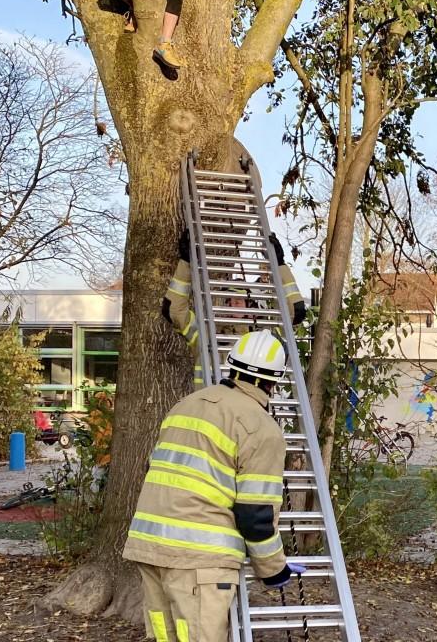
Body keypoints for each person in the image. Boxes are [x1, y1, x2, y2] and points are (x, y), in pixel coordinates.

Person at [122, 329, 303, 642]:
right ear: (274, 381)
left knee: (167, 638)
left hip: (150, 546)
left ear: (231, 367)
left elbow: (154, 467)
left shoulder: (185, 405)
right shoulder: (260, 427)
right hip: (199, 560)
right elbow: (255, 515)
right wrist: (275, 570)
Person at [164, 228, 305, 388]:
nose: (233, 302)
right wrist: (186, 263)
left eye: (239, 299)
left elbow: (296, 312)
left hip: (248, 411)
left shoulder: (264, 339)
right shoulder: (206, 336)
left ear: (251, 305)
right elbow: (173, 310)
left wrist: (279, 265)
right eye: (229, 300)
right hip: (209, 411)